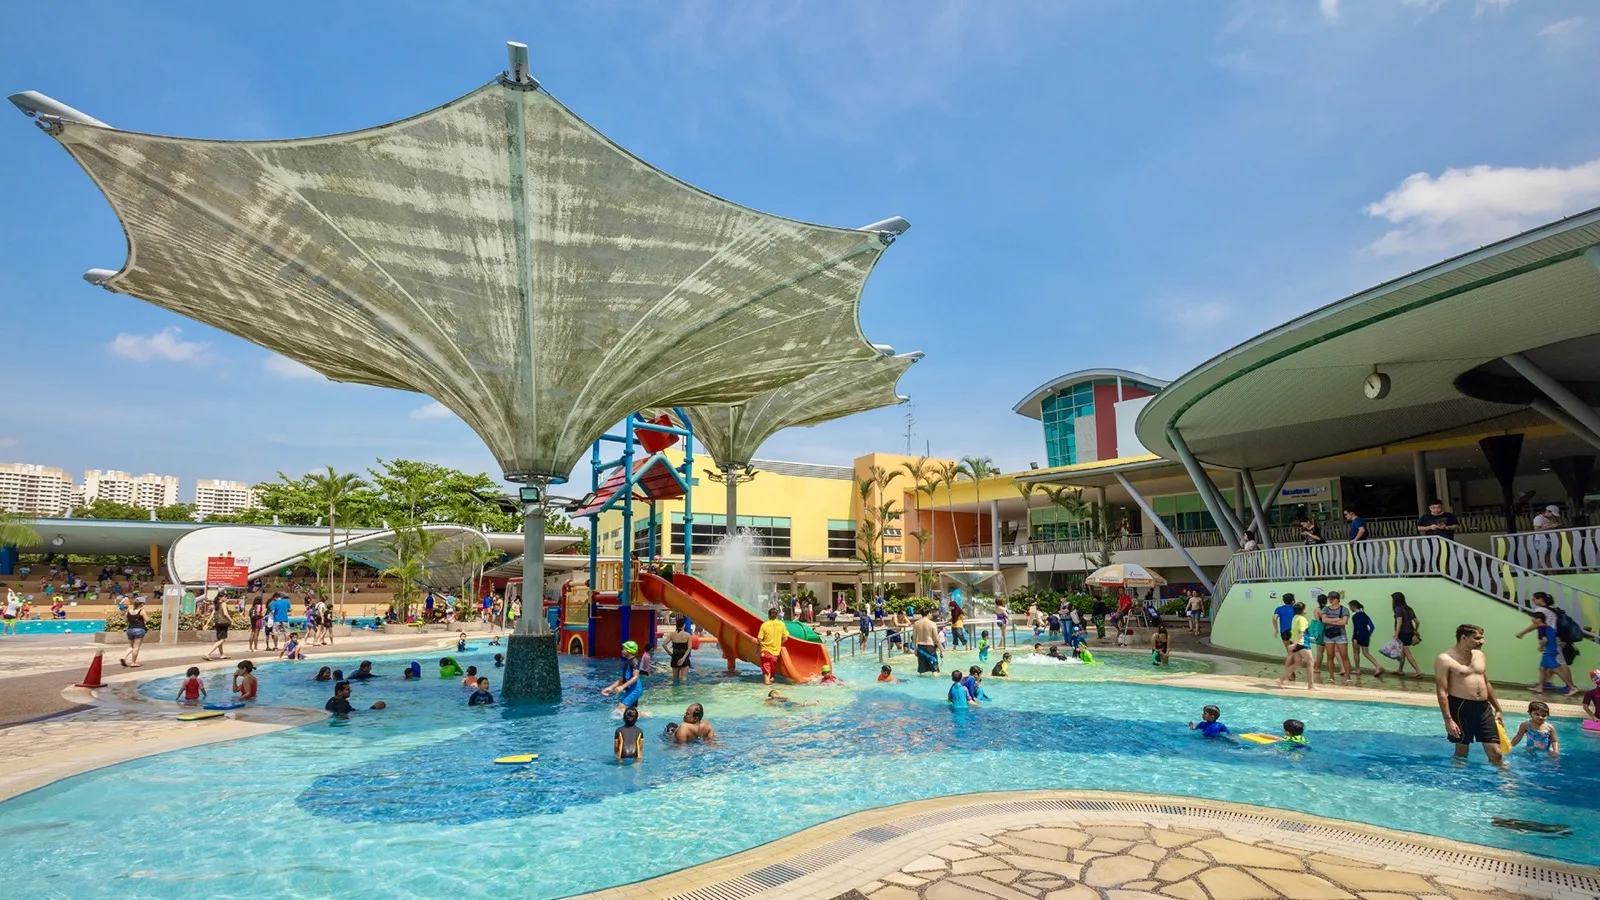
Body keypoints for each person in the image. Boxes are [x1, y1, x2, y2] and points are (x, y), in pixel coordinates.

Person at [1435, 623, 1504, 764]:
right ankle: (1458, 782)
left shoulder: (1480, 655)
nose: (1482, 642)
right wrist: (1448, 720)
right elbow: (1442, 690)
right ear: (1463, 638)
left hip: (1483, 708)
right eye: (1477, 638)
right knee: (1461, 751)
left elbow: (1486, 682)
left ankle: (1503, 782)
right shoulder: (1445, 659)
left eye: (1482, 638)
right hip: (1461, 707)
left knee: (1496, 753)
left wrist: (1497, 708)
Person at [1275, 601, 1316, 691]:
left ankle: (1281, 680)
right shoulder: (1302, 619)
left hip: (1296, 642)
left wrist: (1294, 643)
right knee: (1311, 663)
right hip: (1302, 644)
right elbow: (1301, 633)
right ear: (1304, 610)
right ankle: (1311, 685)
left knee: (1298, 663)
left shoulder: (1295, 618)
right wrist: (1295, 644)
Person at [601, 641, 645, 712]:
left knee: (620, 709)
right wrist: (611, 687)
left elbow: (636, 677)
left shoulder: (634, 661)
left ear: (629, 651)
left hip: (635, 689)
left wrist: (622, 687)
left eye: (623, 649)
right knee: (632, 711)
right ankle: (646, 714)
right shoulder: (628, 662)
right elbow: (623, 678)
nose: (622, 651)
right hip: (631, 689)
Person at [1320, 591, 1352, 685]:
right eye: (1329, 598)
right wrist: (1337, 619)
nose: (1330, 600)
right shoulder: (1326, 609)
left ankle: (1347, 676)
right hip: (1328, 635)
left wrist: (1330, 621)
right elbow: (1324, 620)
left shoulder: (1344, 609)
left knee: (1344, 656)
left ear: (1338, 599)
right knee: (1330, 656)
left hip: (1340, 635)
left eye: (1332, 598)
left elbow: (1344, 622)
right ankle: (1331, 676)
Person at [1349, 601, 1384, 681]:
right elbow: (1372, 627)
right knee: (1366, 653)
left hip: (1357, 637)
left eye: (1350, 607)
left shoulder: (1355, 616)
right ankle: (1378, 666)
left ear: (1354, 606)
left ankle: (1357, 669)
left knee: (1356, 653)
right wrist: (1368, 635)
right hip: (1365, 637)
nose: (1350, 608)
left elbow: (1357, 628)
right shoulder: (1365, 615)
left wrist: (1355, 638)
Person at [1391, 592, 1423, 677]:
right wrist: (1415, 630)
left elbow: (1399, 621)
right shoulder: (1409, 609)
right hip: (1410, 633)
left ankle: (1418, 670)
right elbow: (1417, 622)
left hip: (1403, 633)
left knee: (1406, 651)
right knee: (1403, 652)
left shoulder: (1398, 608)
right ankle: (1400, 669)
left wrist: (1396, 634)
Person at [757, 608, 788, 686]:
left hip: (765, 652)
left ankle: (766, 693)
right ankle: (772, 691)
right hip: (775, 654)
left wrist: (761, 645)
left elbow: (759, 639)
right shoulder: (781, 624)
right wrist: (779, 643)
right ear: (777, 615)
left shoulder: (764, 625)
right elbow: (785, 638)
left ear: (768, 615)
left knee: (767, 675)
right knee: (771, 676)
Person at [1532, 504, 1564, 569]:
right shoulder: (1538, 518)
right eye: (1552, 514)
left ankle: (1550, 573)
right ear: (1547, 511)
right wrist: (1551, 526)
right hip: (1540, 541)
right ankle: (1541, 574)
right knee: (1542, 559)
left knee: (1549, 559)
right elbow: (1537, 530)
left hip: (1549, 540)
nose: (1553, 516)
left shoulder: (1550, 519)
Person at [120, 598, 148, 668]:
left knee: (131, 646)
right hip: (139, 630)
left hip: (130, 630)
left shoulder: (129, 611)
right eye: (143, 604)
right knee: (136, 647)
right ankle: (133, 663)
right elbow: (147, 620)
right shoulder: (142, 611)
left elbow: (125, 620)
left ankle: (124, 657)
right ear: (141, 604)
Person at [911, 609, 940, 676]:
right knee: (934, 670)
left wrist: (915, 649)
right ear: (929, 613)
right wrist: (941, 649)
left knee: (922, 671)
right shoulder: (932, 623)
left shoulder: (916, 623)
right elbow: (936, 639)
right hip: (930, 648)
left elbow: (914, 638)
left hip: (920, 648)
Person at [666, 617, 692, 684]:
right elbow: (689, 648)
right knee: (683, 679)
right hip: (684, 658)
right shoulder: (688, 635)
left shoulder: (672, 634)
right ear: (683, 625)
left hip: (675, 657)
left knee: (675, 679)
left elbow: (663, 644)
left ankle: (674, 693)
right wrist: (683, 658)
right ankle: (683, 694)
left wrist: (670, 653)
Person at [1271, 594, 1297, 658]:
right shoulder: (1295, 608)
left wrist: (1276, 630)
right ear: (1293, 601)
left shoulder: (1279, 609)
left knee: (1289, 650)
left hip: (1284, 631)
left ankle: (1290, 664)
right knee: (1297, 649)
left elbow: (1274, 619)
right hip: (1294, 631)